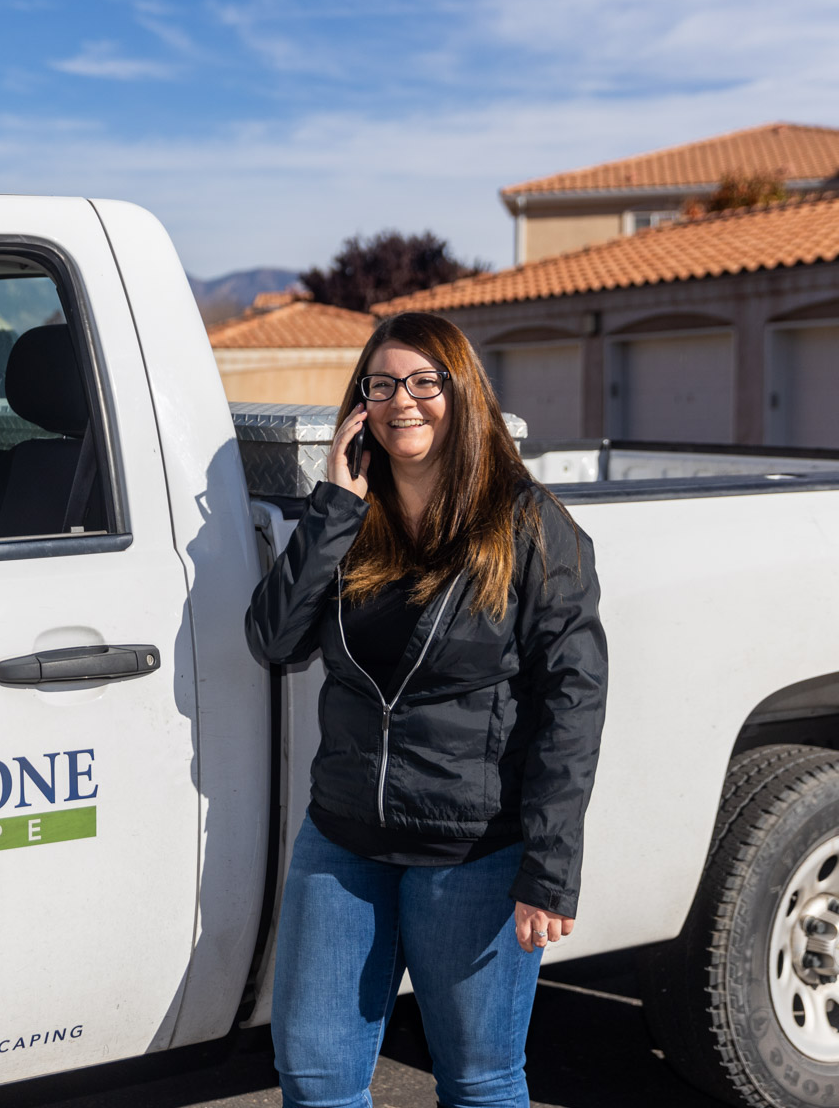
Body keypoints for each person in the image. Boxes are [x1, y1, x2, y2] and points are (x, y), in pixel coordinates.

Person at [246, 311, 608, 1108]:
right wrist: (333, 506)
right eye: (380, 385)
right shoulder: (348, 518)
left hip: (473, 850)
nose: (400, 401)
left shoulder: (528, 523)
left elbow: (571, 703)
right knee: (315, 1080)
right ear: (359, 405)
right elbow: (274, 640)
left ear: (461, 392)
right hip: (343, 839)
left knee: (478, 1084)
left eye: (422, 382)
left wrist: (550, 870)